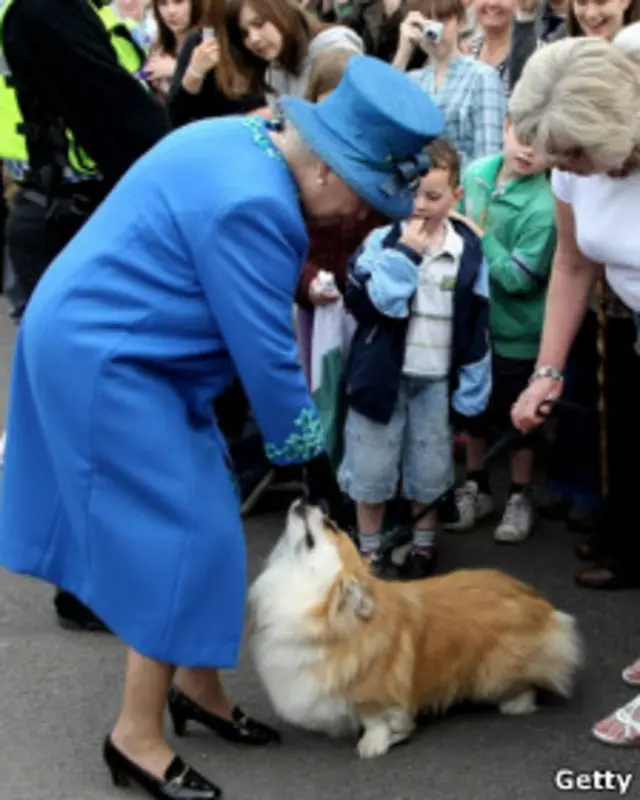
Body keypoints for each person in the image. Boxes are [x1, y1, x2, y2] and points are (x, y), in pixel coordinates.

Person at [0, 54, 445, 798]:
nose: (359, 217)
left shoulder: (248, 139)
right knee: (180, 542)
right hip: (110, 360)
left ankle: (197, 693)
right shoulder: (258, 205)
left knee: (205, 519)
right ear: (331, 171)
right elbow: (267, 352)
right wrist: (314, 462)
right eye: (365, 198)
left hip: (120, 341)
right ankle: (134, 740)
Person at [0, 0, 170, 631]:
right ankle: (92, 582)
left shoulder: (58, 11)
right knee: (93, 414)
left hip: (60, 215)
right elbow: (125, 127)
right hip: (70, 217)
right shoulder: (50, 11)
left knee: (80, 413)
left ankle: (89, 578)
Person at [508, 36, 640, 748]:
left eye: (576, 159)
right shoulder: (571, 154)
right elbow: (571, 261)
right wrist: (547, 371)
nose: (565, 172)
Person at [338, 138, 491, 580]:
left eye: (434, 196)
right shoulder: (381, 242)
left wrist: (473, 387)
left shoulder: (467, 252)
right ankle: (369, 552)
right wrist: (406, 254)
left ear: (457, 197)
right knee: (371, 467)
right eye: (412, 194)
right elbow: (374, 302)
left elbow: (478, 320)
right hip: (379, 378)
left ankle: (424, 546)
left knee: (431, 467)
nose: (420, 206)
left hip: (435, 378)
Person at [447, 115, 556, 542]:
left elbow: (519, 278)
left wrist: (481, 235)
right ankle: (476, 486)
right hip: (475, 321)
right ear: (506, 127)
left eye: (542, 145)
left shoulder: (544, 206)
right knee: (471, 407)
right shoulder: (475, 174)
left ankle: (519, 493)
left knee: (518, 421)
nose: (529, 151)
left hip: (519, 331)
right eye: (523, 138)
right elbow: (454, 227)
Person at [395, 0, 507, 169]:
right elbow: (381, 127)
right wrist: (404, 51)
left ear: (460, 22)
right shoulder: (412, 81)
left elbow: (489, 159)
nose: (434, 29)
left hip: (463, 188)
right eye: (426, 22)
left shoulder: (482, 77)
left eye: (442, 20)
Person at [215, 0, 363, 112]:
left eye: (259, 24)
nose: (254, 39)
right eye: (244, 34)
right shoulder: (273, 73)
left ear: (281, 13)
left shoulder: (334, 52)